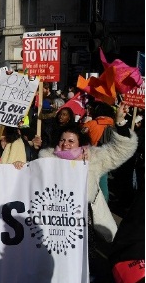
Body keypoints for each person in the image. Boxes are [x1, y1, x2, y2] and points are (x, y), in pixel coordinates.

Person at [38, 103, 137, 243]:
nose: (65, 144)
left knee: (84, 253)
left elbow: (121, 149)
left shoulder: (92, 158)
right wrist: (19, 166)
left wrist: (120, 122)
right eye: (62, 140)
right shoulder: (47, 159)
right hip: (54, 218)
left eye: (71, 141)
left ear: (80, 143)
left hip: (85, 221)